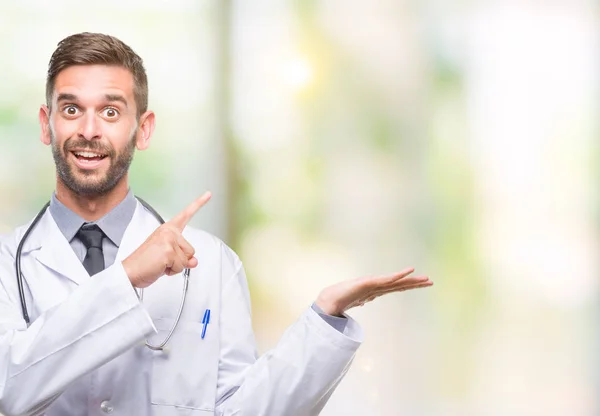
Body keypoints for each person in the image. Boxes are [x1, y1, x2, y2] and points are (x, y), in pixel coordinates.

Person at [0, 32, 433, 416]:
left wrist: (324, 321)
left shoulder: (211, 264)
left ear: (143, 130)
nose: (89, 130)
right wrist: (127, 278)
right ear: (47, 124)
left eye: (111, 112)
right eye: (72, 109)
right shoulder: (6, 265)